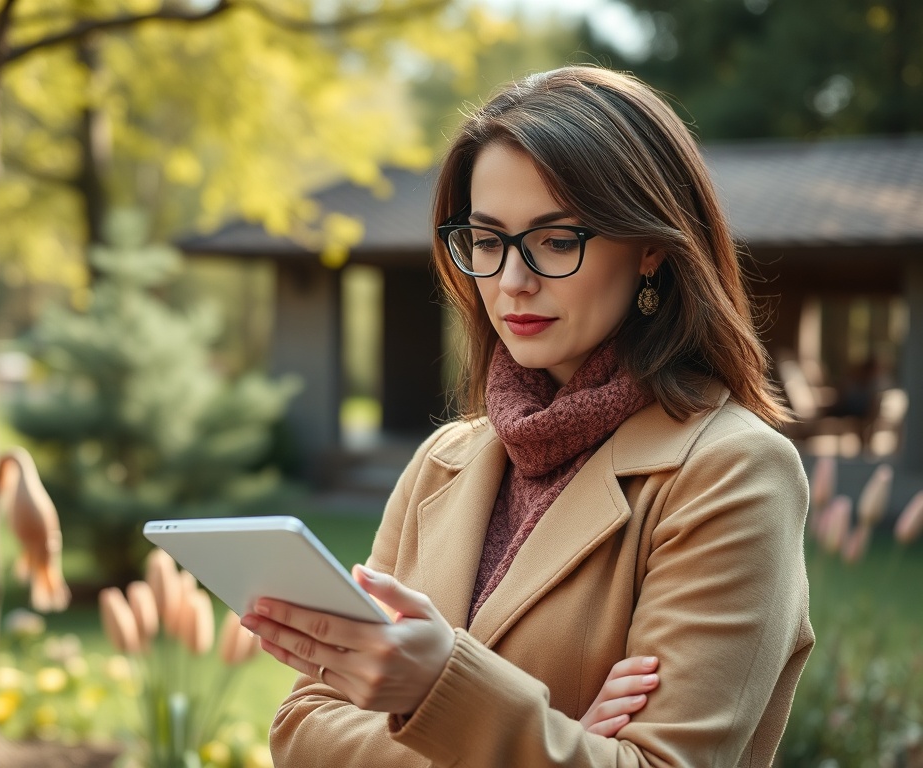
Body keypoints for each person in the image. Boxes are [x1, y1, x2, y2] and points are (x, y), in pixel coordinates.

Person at [241, 65, 814, 766]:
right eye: (487, 241)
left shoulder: (730, 472)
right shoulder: (445, 459)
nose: (513, 280)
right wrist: (562, 729)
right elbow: (302, 728)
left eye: (555, 240)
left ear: (651, 250)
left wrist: (437, 697)